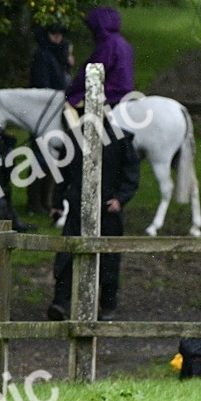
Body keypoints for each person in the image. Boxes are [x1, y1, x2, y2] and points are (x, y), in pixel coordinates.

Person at [46, 121, 140, 322]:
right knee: (67, 255)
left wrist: (120, 199)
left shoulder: (120, 138)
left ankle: (108, 304)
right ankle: (60, 302)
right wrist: (57, 202)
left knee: (109, 258)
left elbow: (131, 172)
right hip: (78, 208)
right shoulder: (74, 138)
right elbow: (62, 174)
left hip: (108, 209)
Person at [28, 24, 74, 214]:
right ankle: (35, 202)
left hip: (57, 110)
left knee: (51, 156)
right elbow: (42, 86)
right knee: (41, 157)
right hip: (45, 111)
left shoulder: (59, 55)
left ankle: (45, 200)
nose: (57, 37)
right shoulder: (43, 55)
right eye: (53, 33)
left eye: (60, 33)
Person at [64, 7, 135, 108]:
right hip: (125, 94)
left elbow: (90, 74)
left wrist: (70, 91)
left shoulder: (107, 46)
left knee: (69, 110)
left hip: (110, 96)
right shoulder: (123, 43)